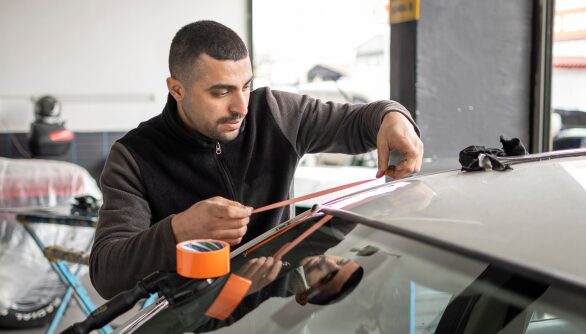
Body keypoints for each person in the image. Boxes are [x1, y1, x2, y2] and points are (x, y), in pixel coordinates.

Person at [90, 20, 423, 299]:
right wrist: (179, 230)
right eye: (221, 92)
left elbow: (361, 121)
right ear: (177, 89)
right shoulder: (134, 156)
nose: (242, 107)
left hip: (281, 322)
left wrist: (393, 117)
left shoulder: (275, 113)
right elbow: (107, 273)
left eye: (246, 86)